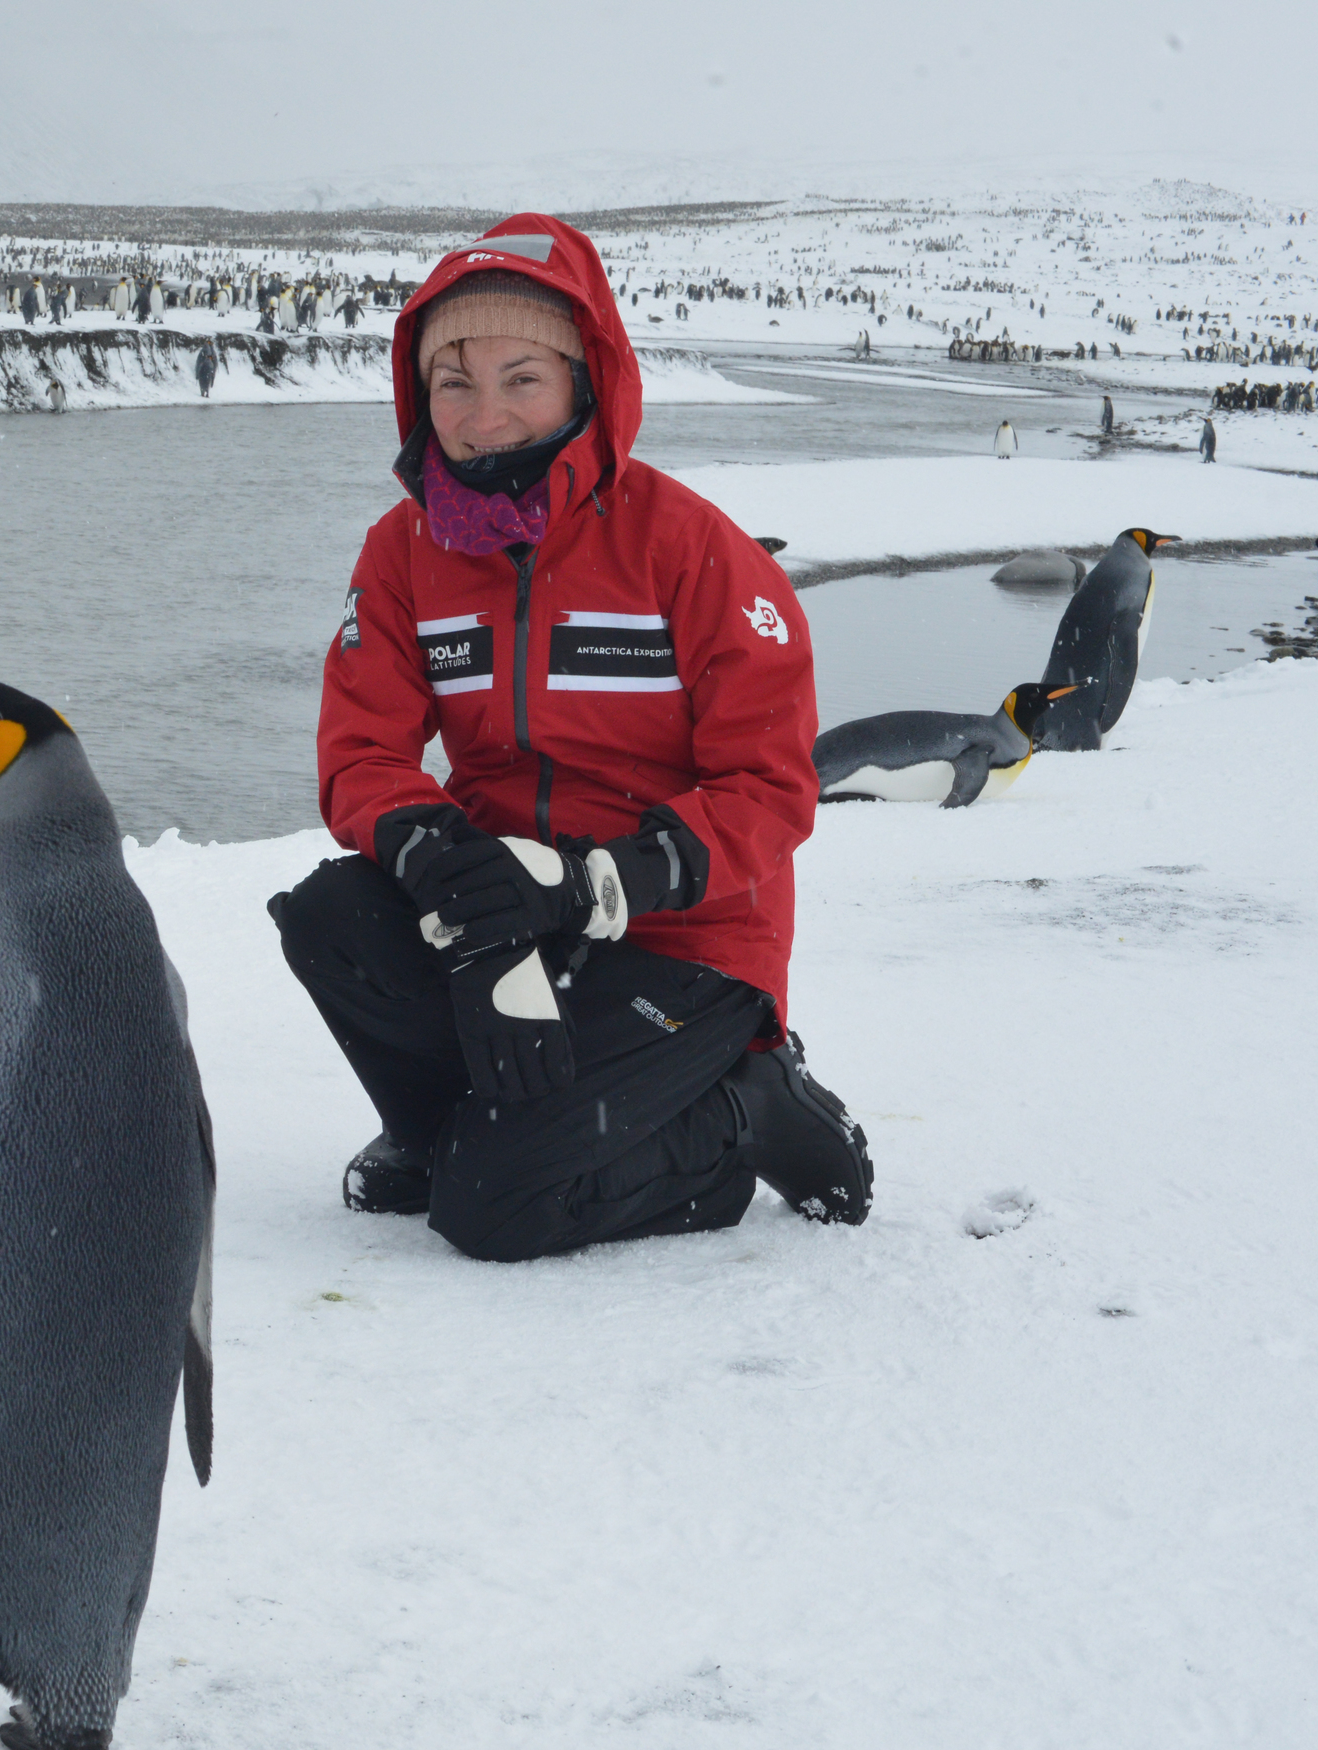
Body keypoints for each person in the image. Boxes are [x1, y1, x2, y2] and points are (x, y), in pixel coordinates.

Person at [270, 214, 871, 1261]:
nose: (482, 415)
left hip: (680, 937)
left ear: (585, 382)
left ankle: (745, 1108)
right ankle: (433, 1129)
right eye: (451, 382)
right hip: (513, 908)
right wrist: (440, 857)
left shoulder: (690, 551)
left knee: (491, 1210)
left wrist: (595, 882)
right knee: (336, 916)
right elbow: (360, 749)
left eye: (520, 378)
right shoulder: (404, 549)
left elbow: (769, 790)